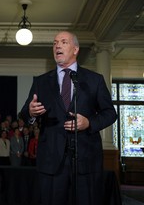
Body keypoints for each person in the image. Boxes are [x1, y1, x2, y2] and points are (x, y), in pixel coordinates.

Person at [20, 31, 117, 205]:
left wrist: (88, 122)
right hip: (51, 161)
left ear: (75, 49)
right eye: (55, 43)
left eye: (63, 42)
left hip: (86, 160)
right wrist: (31, 112)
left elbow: (110, 113)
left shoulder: (94, 80)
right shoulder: (41, 82)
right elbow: (24, 114)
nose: (57, 46)